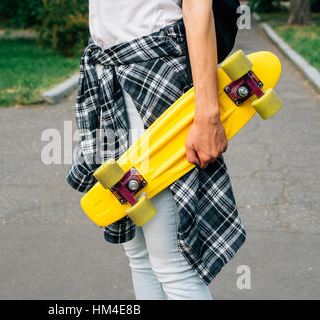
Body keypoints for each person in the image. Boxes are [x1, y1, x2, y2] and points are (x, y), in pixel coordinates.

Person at [67, 0, 246, 300]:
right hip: (112, 79)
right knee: (140, 256)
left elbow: (197, 7)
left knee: (172, 262)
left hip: (154, 74)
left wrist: (207, 116)